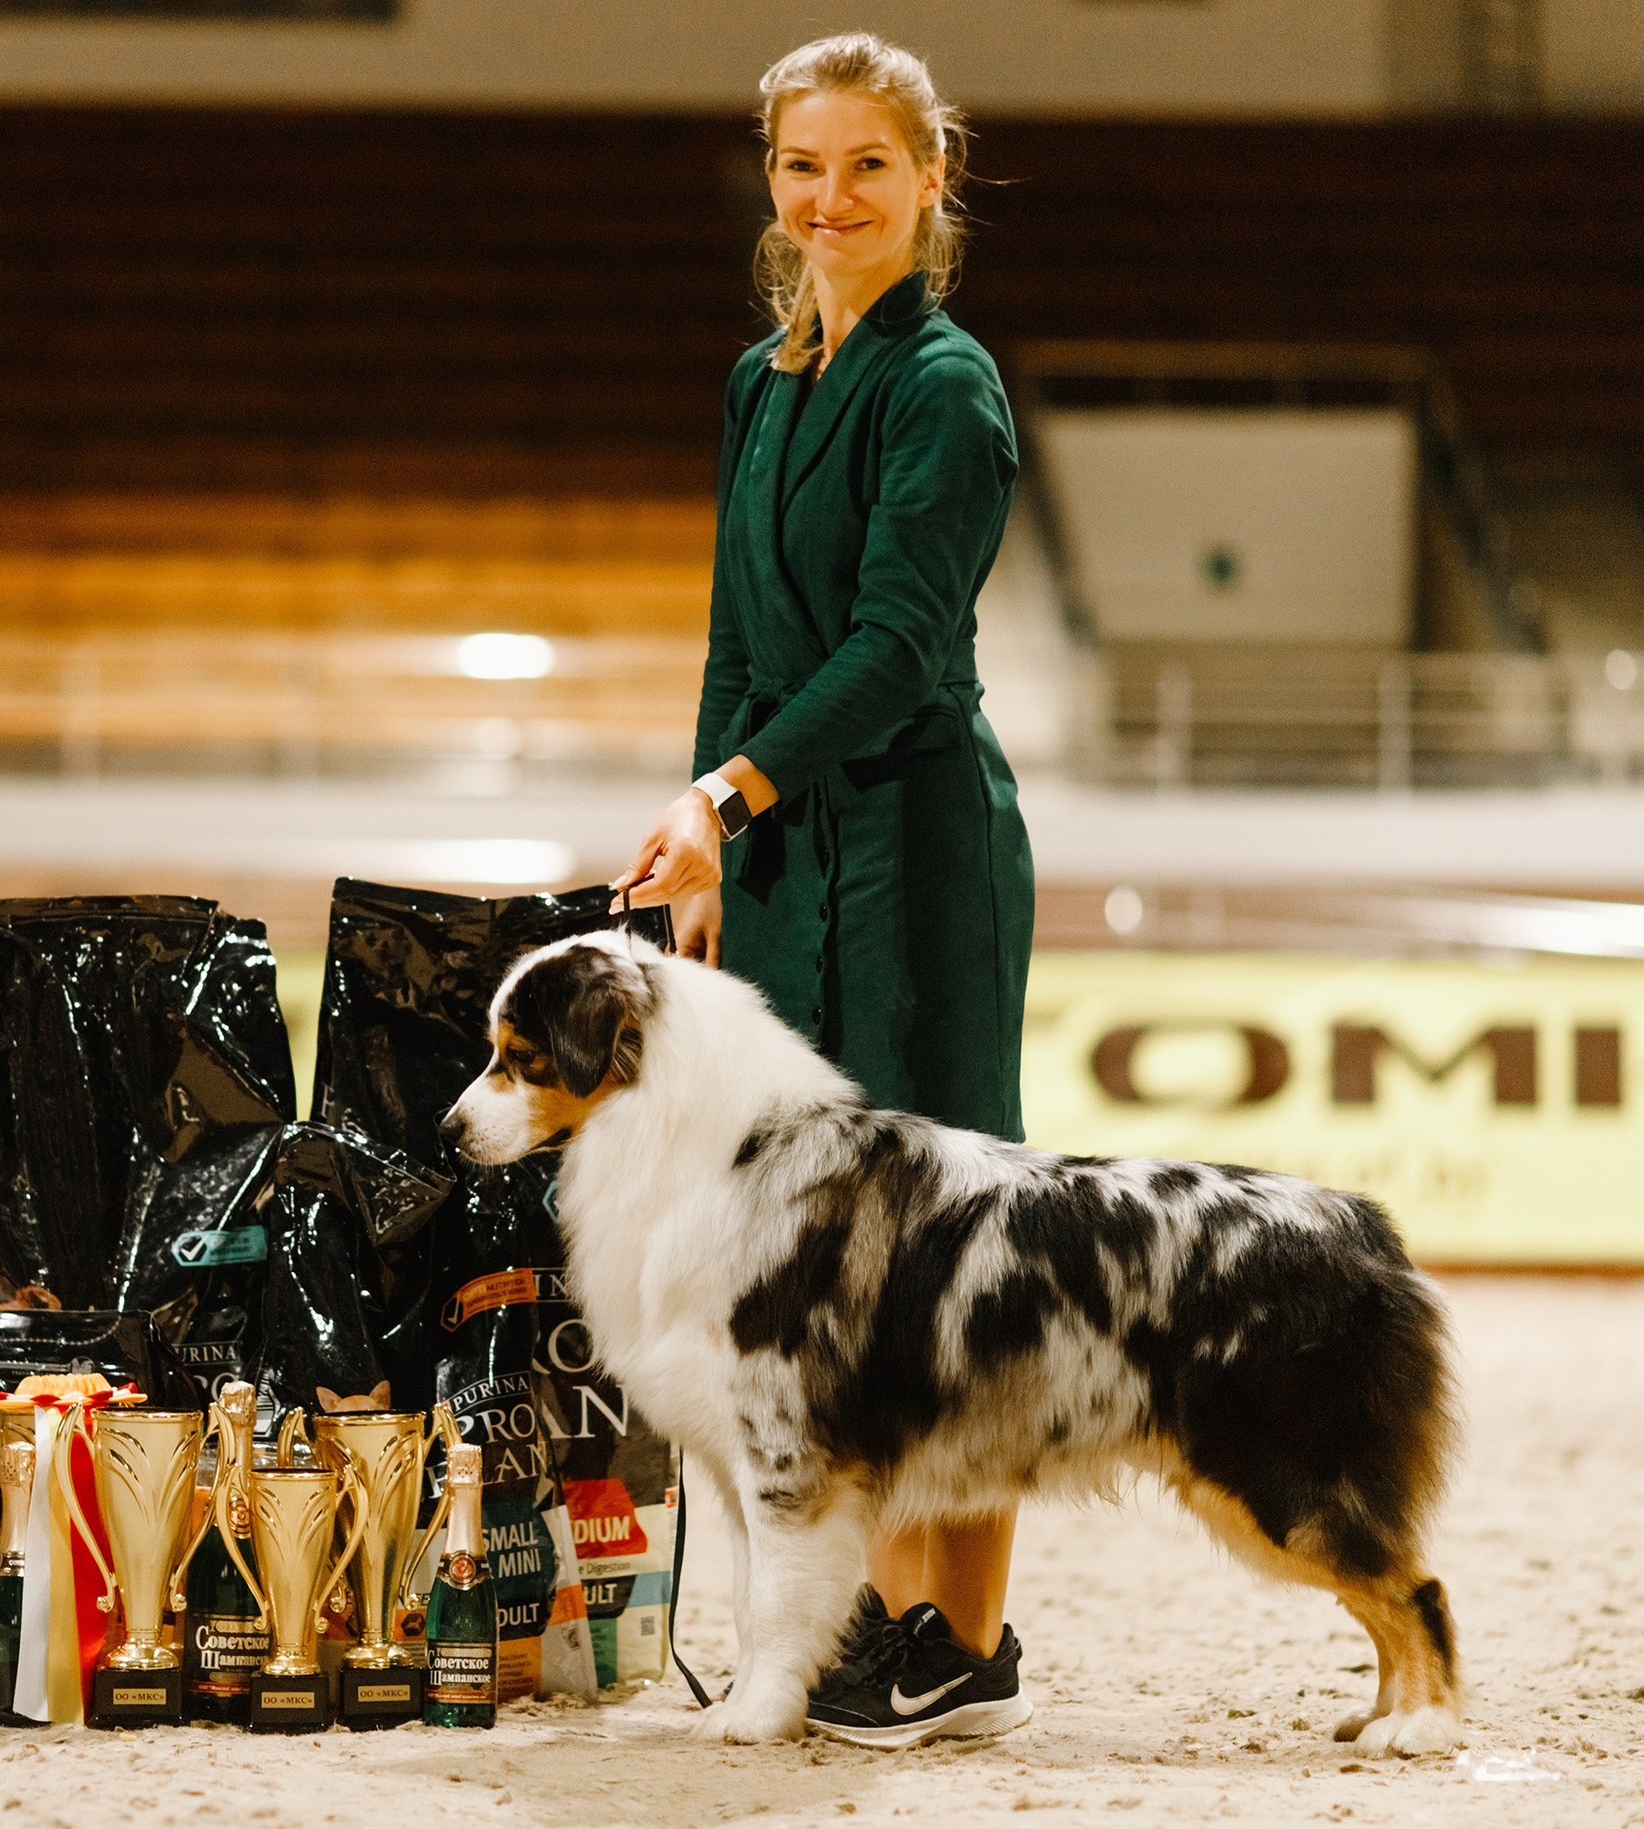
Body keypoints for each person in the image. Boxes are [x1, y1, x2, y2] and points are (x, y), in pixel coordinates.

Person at [613, 32, 1036, 1750]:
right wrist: (713, 840)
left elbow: (895, 648)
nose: (832, 197)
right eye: (805, 165)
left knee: (943, 1238)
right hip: (786, 850)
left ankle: (966, 1637)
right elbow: (741, 634)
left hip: (918, 843)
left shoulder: (947, 386)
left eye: (869, 165)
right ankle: (867, 1615)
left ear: (931, 182)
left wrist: (729, 788)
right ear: (772, 181)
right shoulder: (760, 378)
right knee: (825, 1251)